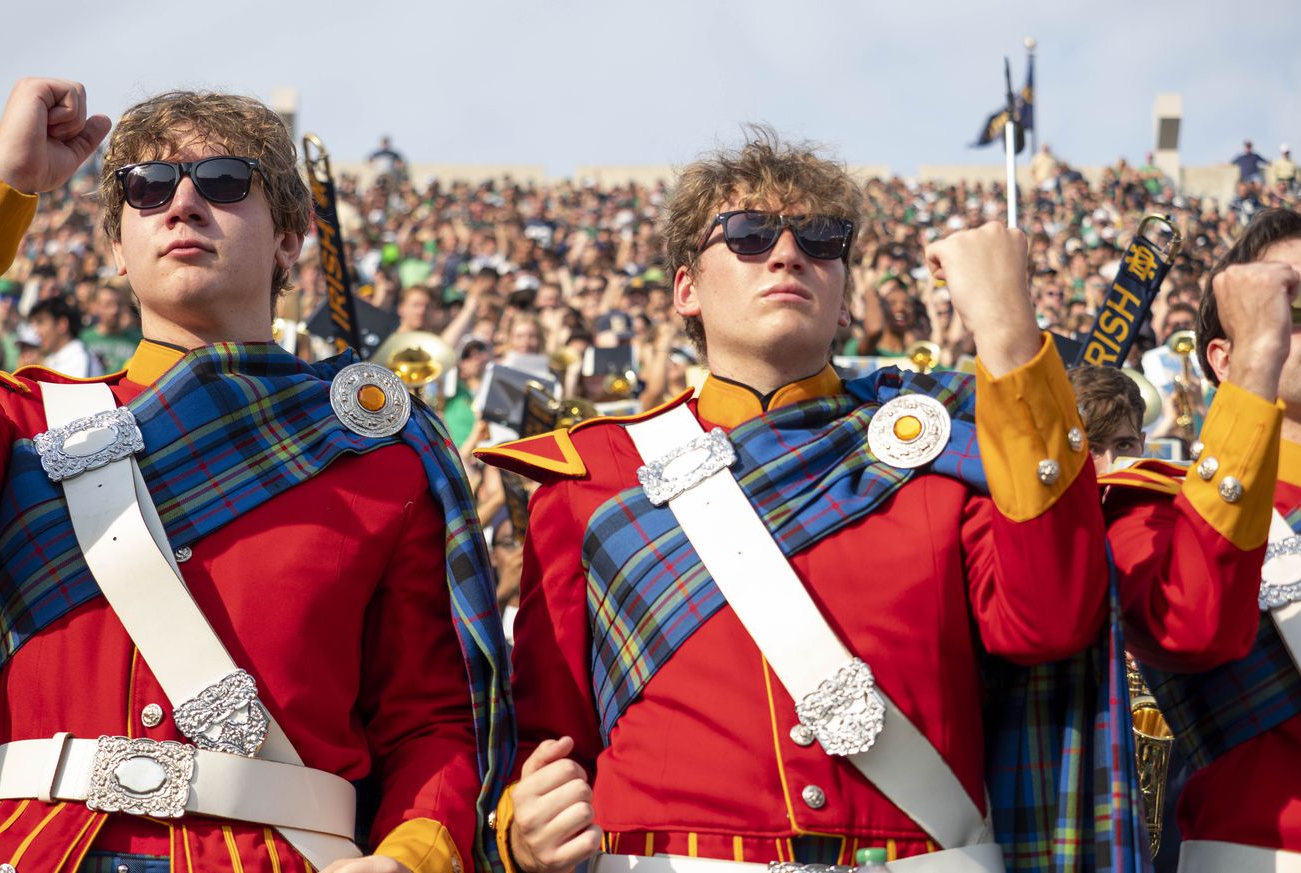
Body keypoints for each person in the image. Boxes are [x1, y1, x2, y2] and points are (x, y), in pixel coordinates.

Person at [479, 131, 1130, 873]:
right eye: (751, 235)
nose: (788, 254)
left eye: (822, 240)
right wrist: (519, 831)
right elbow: (544, 742)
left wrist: (1011, 336)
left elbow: (1054, 617)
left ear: (844, 285)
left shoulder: (949, 448)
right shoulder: (587, 479)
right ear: (686, 287)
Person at [0, 78, 510, 873]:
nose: (184, 203)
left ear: (290, 240)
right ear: (115, 248)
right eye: (148, 186)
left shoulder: (385, 456)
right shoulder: (20, 425)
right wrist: (7, 189)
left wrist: (411, 856)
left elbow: (431, 722)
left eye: (226, 182)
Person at [1117, 207, 1301, 871]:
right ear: (1223, 356)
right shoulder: (1155, 504)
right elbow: (1187, 626)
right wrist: (1263, 361)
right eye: (1293, 305)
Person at [26, 295, 104, 377]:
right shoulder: (51, 359)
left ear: (62, 324)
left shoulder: (80, 360)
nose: (36, 332)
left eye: (40, 323)